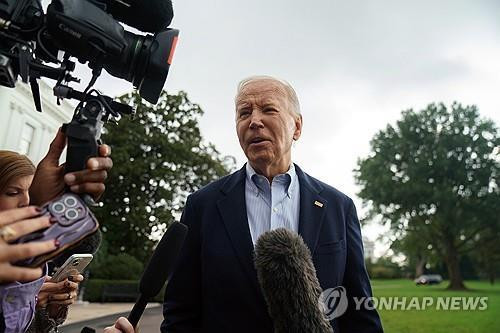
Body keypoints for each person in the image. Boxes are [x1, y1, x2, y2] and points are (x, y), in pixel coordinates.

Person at [161, 76, 383, 332]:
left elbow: (359, 311)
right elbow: (180, 313)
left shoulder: (338, 207)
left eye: (268, 109)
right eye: (244, 113)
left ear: (297, 127)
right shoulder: (202, 206)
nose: (254, 121)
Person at [0, 129, 112, 333]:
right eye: (13, 192)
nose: (26, 201)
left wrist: (45, 307)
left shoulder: (32, 267)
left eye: (30, 193)